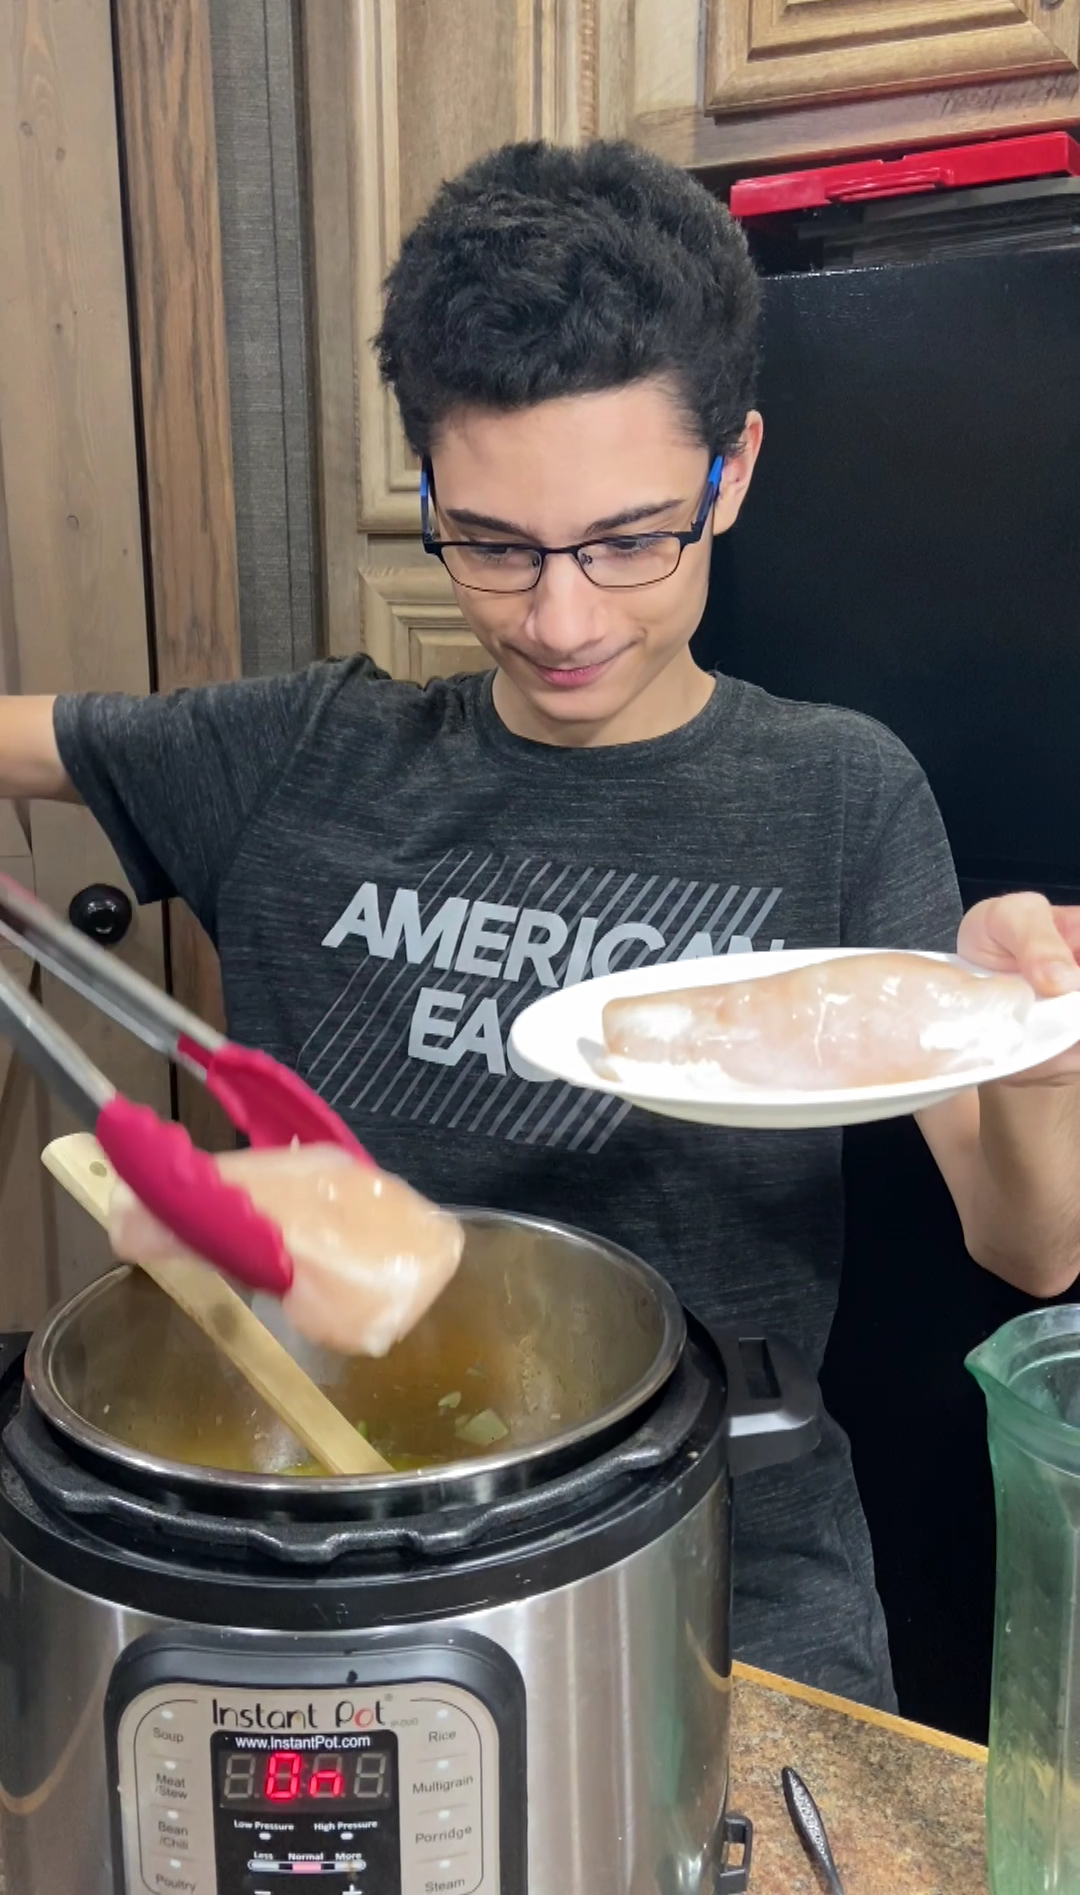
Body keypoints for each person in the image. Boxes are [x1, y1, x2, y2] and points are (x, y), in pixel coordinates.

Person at [3, 139, 1079, 1710]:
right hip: (338, 1526)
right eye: (494, 546)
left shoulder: (840, 792)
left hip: (736, 1553)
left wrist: (1045, 1052)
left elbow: (1032, 1243)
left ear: (737, 469)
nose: (562, 619)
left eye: (632, 539)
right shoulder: (300, 756)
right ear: (429, 489)